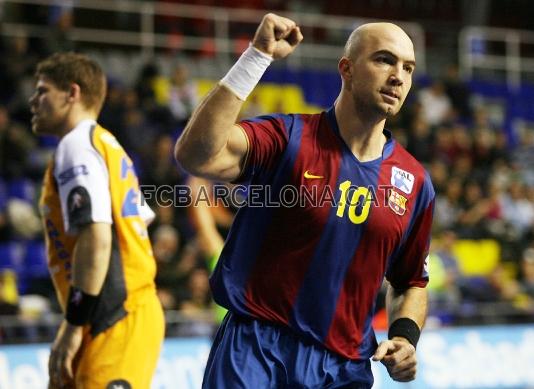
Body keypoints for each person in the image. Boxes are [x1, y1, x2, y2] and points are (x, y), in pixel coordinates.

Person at [175, 13, 434, 388]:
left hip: (344, 368)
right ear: (346, 68)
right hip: (256, 350)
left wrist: (405, 338)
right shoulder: (288, 138)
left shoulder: (415, 183)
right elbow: (196, 155)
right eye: (384, 60)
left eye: (408, 68)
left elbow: (411, 280)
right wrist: (256, 56)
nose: (399, 76)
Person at [30, 52, 164, 389]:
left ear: (72, 93)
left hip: (113, 317)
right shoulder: (107, 144)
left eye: (43, 91)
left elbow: (97, 236)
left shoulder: (76, 146)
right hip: (118, 311)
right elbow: (138, 223)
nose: (33, 100)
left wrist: (73, 324)